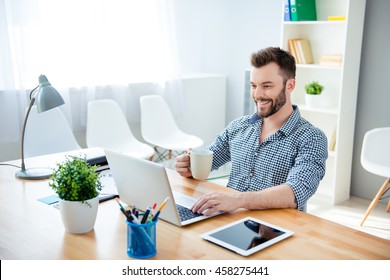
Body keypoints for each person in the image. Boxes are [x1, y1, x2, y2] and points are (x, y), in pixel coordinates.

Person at [175, 46, 328, 215]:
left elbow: (296, 191)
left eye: (267, 86)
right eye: (254, 85)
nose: (257, 94)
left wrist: (238, 200)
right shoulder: (238, 127)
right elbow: (208, 160)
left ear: (290, 85)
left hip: (274, 229)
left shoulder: (312, 138)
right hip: (227, 218)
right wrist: (188, 165)